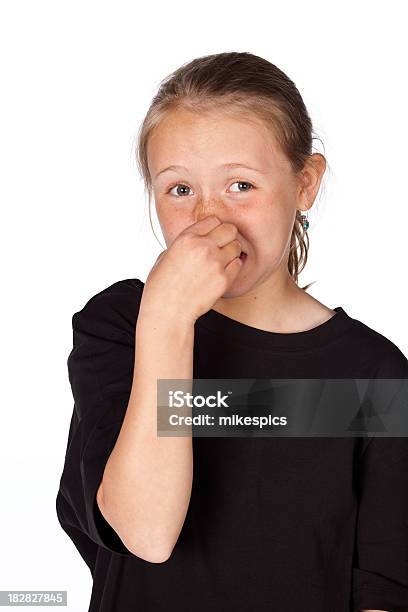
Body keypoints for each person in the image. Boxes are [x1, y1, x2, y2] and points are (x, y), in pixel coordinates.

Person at [55, 51, 408, 612]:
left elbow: (382, 586)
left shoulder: (373, 375)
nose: (208, 219)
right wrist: (168, 320)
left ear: (305, 184)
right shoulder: (124, 324)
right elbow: (144, 534)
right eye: (179, 190)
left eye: (241, 185)